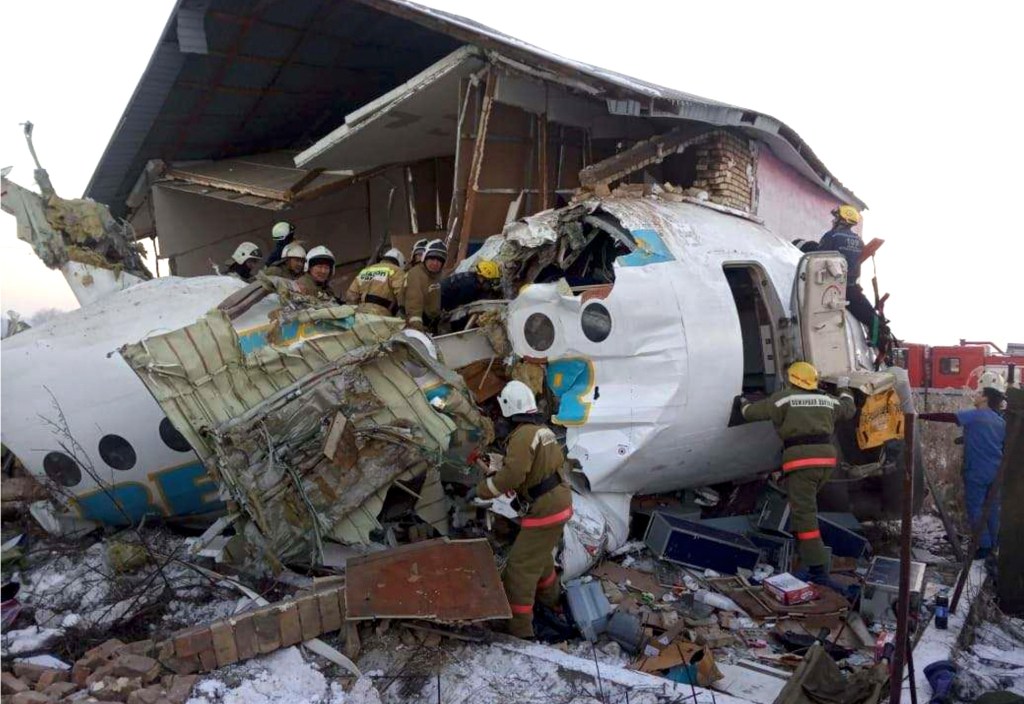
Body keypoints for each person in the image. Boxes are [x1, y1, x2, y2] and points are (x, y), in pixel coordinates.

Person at [466, 381, 572, 639]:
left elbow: (513, 475)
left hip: (545, 509)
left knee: (519, 569)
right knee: (541, 559)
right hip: (558, 502)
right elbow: (530, 472)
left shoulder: (523, 435)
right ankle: (554, 603)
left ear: (507, 408)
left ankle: (521, 630)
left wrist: (482, 489)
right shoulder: (541, 430)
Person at [740, 362, 855, 586]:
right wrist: (844, 388)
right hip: (825, 462)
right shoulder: (827, 400)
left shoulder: (784, 398)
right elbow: (848, 408)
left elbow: (749, 413)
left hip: (802, 463)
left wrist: (742, 401)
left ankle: (817, 570)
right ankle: (804, 558)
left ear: (792, 380)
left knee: (805, 516)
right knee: (802, 508)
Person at [919, 371, 1007, 560]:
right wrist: (964, 438)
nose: (974, 396)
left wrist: (920, 415)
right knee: (992, 508)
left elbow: (949, 417)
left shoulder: (975, 415)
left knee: (975, 507)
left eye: (977, 393)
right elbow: (993, 441)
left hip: (976, 471)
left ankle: (982, 547)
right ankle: (994, 544)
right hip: (996, 472)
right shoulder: (1000, 420)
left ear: (985, 397)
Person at [817, 205, 876, 330]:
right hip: (851, 289)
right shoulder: (859, 241)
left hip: (829, 287)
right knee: (871, 317)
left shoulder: (832, 236)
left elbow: (818, 259)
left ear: (843, 220)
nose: (833, 220)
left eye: (836, 217)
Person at [344, 248, 406, 316]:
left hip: (360, 315)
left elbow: (351, 297)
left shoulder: (365, 270)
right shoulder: (397, 271)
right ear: (400, 264)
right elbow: (402, 293)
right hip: (381, 316)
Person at [404, 238, 446, 333]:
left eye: (439, 260)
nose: (435, 263)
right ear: (425, 258)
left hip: (432, 322)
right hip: (415, 322)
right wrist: (417, 328)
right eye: (432, 258)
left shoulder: (440, 275)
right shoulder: (415, 274)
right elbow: (414, 303)